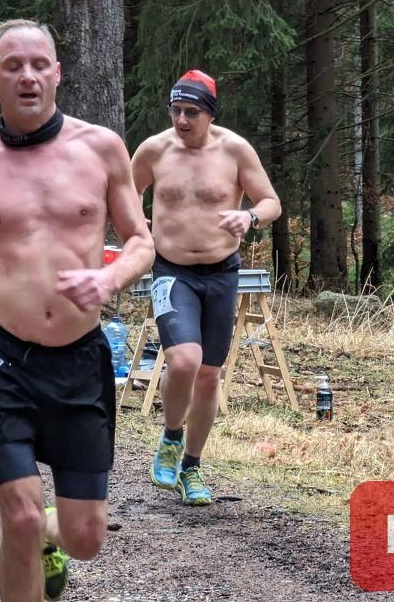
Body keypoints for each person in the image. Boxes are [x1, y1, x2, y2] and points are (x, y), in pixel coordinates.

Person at [0, 20, 153, 602]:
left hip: (79, 359)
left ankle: (51, 535)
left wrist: (109, 277)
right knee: (17, 516)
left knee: (85, 537)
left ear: (57, 73)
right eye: (13, 66)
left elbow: (142, 242)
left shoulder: (101, 148)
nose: (28, 76)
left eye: (39, 64)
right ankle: (31, 534)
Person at [131, 70, 281, 505]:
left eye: (191, 112)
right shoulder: (154, 150)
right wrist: (133, 223)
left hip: (221, 272)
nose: (181, 120)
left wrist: (249, 217)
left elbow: (271, 202)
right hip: (171, 271)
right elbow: (123, 192)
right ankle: (171, 437)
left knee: (210, 376)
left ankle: (191, 467)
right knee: (183, 361)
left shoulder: (234, 150)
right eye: (175, 110)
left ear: (210, 114)